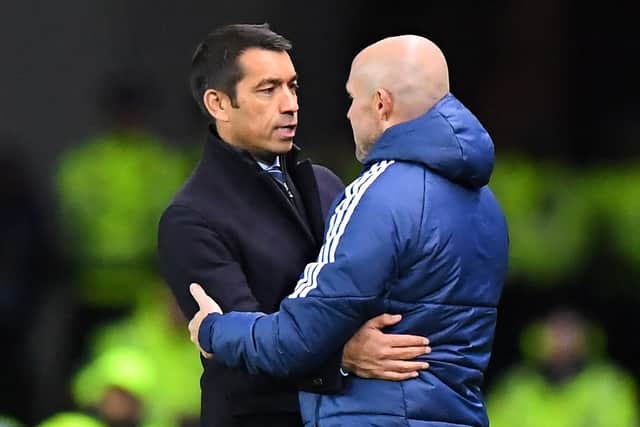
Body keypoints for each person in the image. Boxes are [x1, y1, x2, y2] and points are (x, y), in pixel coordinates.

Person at [189, 34, 509, 426]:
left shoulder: (377, 194)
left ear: (380, 104)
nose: (349, 115)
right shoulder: (485, 203)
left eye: (353, 99)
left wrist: (213, 329)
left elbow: (296, 339)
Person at [158, 24, 431, 427]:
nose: (290, 104)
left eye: (293, 86)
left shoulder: (325, 183)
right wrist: (344, 356)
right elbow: (245, 346)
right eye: (268, 89)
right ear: (218, 103)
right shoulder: (191, 218)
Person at [486, 307, 639, 427]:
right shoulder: (516, 388)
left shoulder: (609, 385)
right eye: (555, 330)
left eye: (570, 330)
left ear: (586, 336)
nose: (563, 341)